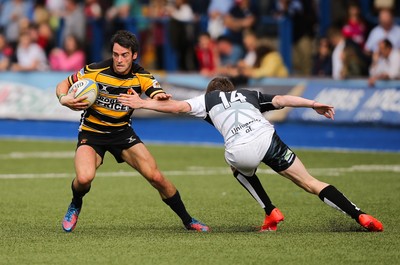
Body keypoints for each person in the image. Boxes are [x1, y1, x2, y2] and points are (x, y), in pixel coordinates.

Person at [118, 76, 384, 232]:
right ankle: (359, 215)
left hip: (240, 149)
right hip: (268, 138)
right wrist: (314, 103)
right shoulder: (248, 94)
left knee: (236, 167)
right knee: (311, 183)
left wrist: (143, 103)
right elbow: (282, 99)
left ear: (212, 91)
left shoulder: (205, 100)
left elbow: (175, 107)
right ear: (231, 88)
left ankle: (270, 210)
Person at [55, 30, 208, 233]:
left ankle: (188, 220)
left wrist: (155, 99)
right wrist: (63, 98)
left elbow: (158, 94)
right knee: (84, 178)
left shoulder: (142, 76)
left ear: (134, 54)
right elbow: (63, 84)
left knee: (156, 177)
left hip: (122, 134)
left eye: (124, 55)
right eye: (116, 54)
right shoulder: (95, 70)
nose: (119, 60)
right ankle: (76, 203)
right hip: (92, 133)